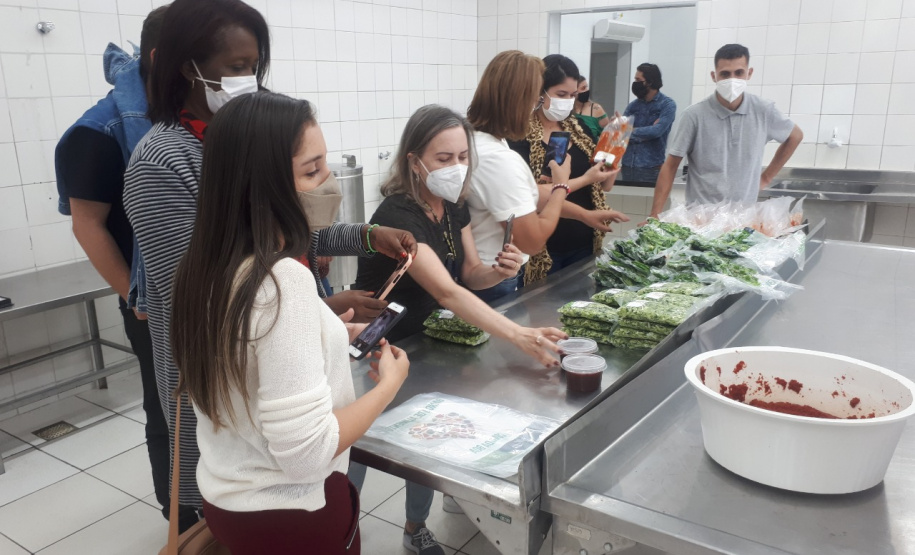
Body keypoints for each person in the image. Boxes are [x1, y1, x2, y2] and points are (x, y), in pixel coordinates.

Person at [123, 0, 416, 526]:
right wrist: (315, 306)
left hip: (281, 354)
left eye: (253, 67)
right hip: (220, 378)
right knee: (236, 496)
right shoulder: (161, 161)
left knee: (288, 474)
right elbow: (211, 295)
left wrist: (367, 239)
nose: (247, 80)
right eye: (234, 68)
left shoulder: (243, 134)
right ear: (182, 66)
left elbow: (290, 225)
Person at [171, 91, 409, 554]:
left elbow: (249, 361)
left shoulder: (202, 266)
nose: (328, 181)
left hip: (229, 502)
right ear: (262, 183)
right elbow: (307, 454)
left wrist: (334, 335)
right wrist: (388, 387)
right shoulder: (283, 281)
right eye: (311, 170)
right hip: (292, 514)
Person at [353, 105, 568, 553]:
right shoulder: (398, 213)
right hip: (373, 341)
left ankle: (415, 529)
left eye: (462, 157)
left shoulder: (453, 205)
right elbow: (447, 293)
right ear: (414, 161)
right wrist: (519, 334)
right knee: (360, 442)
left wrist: (497, 271)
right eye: (442, 159)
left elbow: (467, 274)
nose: (455, 168)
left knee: (424, 439)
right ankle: (343, 525)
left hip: (421, 343)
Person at [53, 6, 199, 531]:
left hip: (208, 288)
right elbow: (89, 226)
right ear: (164, 60)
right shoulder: (97, 133)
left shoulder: (187, 115)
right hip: (152, 296)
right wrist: (134, 299)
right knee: (169, 407)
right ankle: (181, 516)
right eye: (202, 62)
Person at [509, 54, 628, 281]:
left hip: (585, 239)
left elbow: (605, 184)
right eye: (561, 95)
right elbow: (533, 194)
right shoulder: (518, 135)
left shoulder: (579, 127)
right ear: (539, 92)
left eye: (573, 95)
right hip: (543, 245)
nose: (568, 102)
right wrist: (586, 179)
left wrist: (615, 147)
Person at [649, 44, 803, 219]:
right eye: (725, 74)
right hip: (700, 219)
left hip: (743, 218)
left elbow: (795, 136)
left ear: (749, 73)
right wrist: (655, 215)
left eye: (738, 73)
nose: (732, 79)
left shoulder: (763, 110)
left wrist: (767, 177)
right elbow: (670, 166)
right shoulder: (694, 115)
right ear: (714, 76)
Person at [464, 50, 570, 303]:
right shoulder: (497, 159)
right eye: (535, 102)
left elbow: (524, 197)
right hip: (492, 278)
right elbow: (532, 242)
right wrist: (561, 185)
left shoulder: (480, 141)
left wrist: (586, 214)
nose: (534, 111)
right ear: (518, 102)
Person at [621, 63, 676, 184]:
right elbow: (621, 134)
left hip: (652, 168)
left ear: (650, 82)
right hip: (627, 166)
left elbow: (657, 132)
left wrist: (631, 131)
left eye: (638, 80)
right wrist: (647, 132)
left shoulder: (667, 105)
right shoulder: (633, 106)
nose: (635, 83)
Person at [572, 76, 609, 142]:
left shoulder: (596, 109)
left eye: (587, 87)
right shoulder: (567, 109)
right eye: (583, 88)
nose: (586, 90)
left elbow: (607, 137)